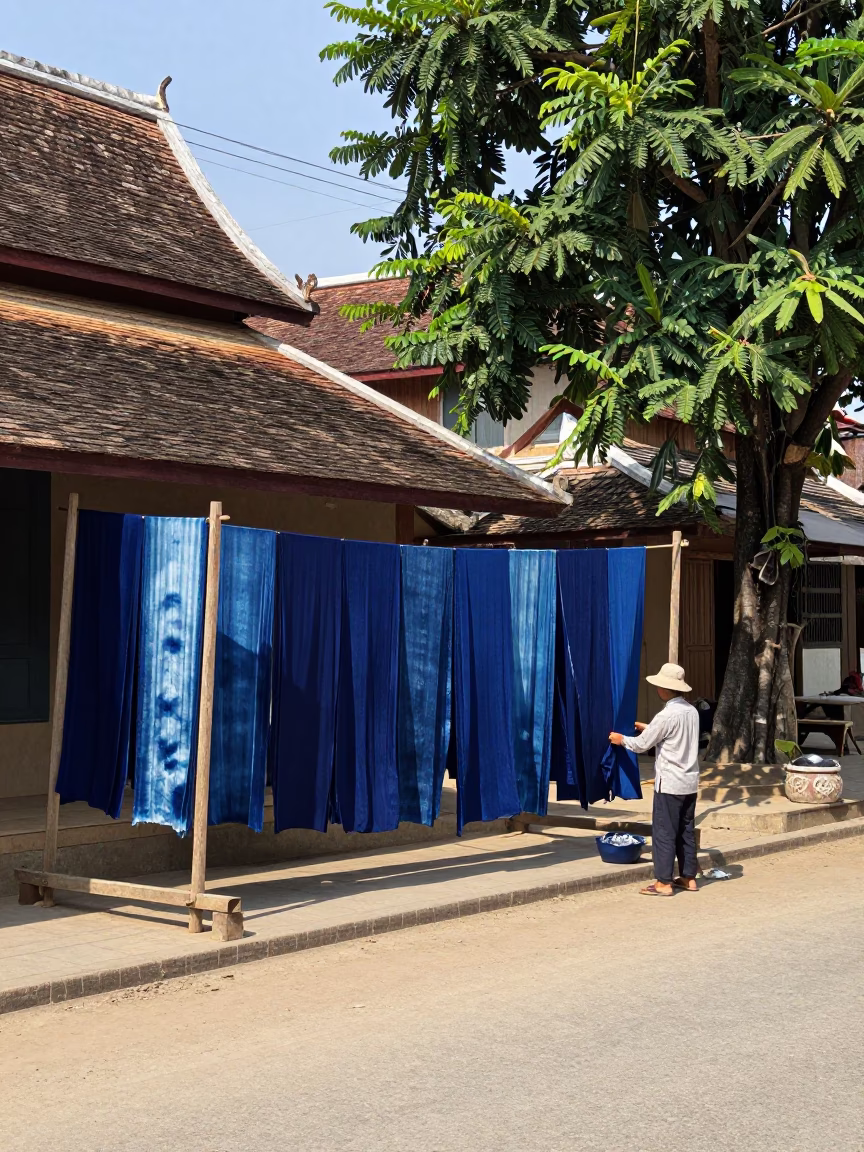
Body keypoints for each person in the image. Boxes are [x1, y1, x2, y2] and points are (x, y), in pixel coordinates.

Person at [608, 662, 700, 898]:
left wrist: (621, 740)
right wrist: (648, 728)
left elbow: (641, 745)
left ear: (664, 689)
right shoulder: (691, 711)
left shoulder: (666, 714)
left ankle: (664, 882)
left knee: (664, 832)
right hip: (689, 782)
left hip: (669, 783)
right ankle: (689, 877)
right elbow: (673, 735)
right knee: (686, 830)